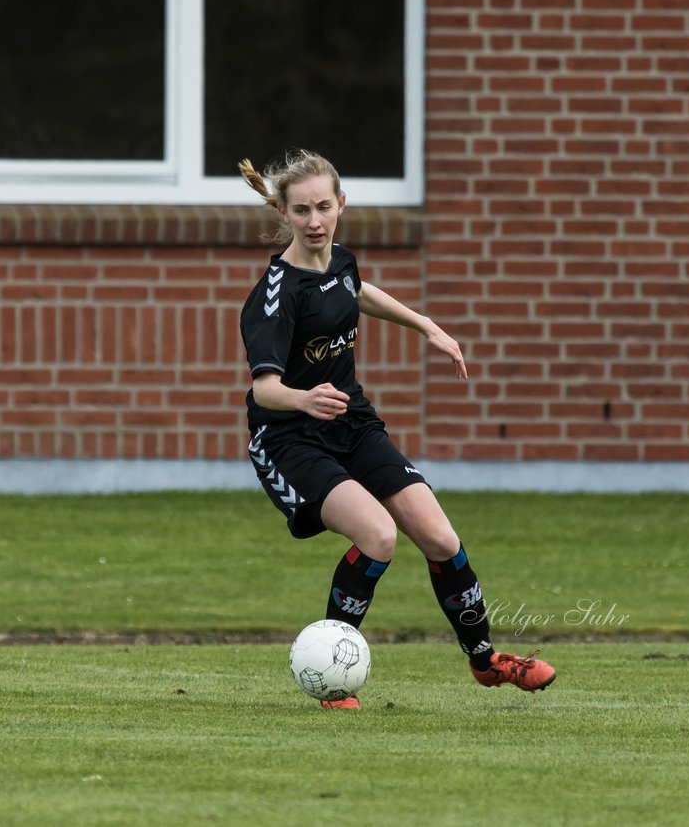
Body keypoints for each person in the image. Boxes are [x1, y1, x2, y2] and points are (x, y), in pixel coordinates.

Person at [237, 150, 557, 709]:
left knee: (440, 538)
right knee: (378, 536)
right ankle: (331, 679)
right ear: (283, 214)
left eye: (323, 207)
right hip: (289, 437)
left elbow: (355, 291)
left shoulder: (339, 260)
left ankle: (486, 663)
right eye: (301, 211)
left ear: (341, 204)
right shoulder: (274, 295)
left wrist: (426, 325)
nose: (315, 221)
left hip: (352, 422)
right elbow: (265, 388)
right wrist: (303, 398)